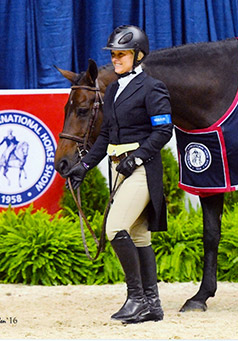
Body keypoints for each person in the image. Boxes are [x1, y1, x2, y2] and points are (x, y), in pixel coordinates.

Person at [64, 25, 173, 324]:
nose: (116, 59)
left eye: (121, 54)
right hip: (117, 167)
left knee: (115, 228)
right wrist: (83, 167)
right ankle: (152, 304)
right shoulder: (111, 90)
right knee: (138, 236)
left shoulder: (153, 88)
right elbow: (106, 135)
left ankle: (136, 298)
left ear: (138, 56)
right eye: (113, 54)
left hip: (141, 169)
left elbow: (163, 130)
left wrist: (137, 156)